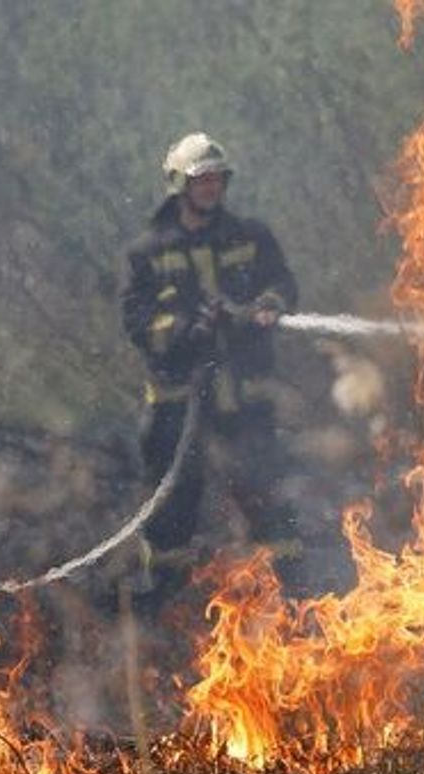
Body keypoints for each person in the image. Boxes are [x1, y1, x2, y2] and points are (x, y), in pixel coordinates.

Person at [121, 132, 298, 556]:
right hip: (177, 405)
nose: (212, 187)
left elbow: (282, 282)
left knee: (268, 498)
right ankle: (161, 603)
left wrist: (269, 304)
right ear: (180, 184)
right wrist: (187, 329)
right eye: (202, 179)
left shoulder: (249, 237)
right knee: (171, 510)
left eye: (218, 179)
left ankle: (293, 598)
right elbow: (137, 322)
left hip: (243, 399)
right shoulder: (147, 252)